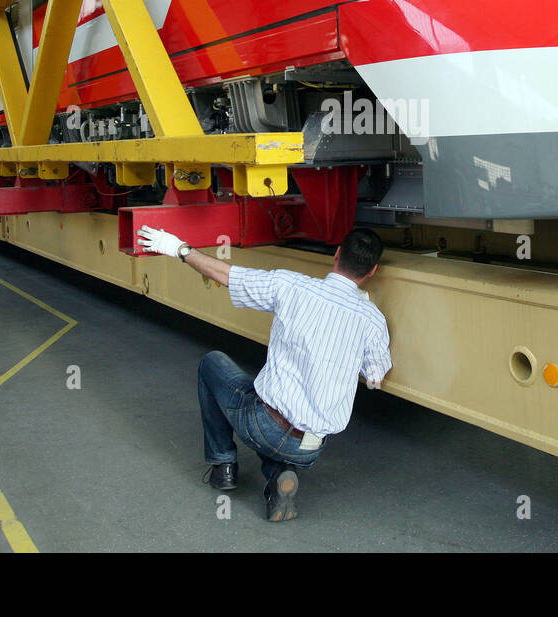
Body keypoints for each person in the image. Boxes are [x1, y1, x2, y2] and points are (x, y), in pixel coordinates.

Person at [139, 224, 391, 523]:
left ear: (336, 254)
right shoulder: (372, 320)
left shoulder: (291, 286)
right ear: (372, 271)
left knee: (213, 363)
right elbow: (375, 379)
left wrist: (179, 249)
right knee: (278, 430)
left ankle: (224, 467)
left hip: (265, 426)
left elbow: (225, 275)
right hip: (311, 448)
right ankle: (278, 476)